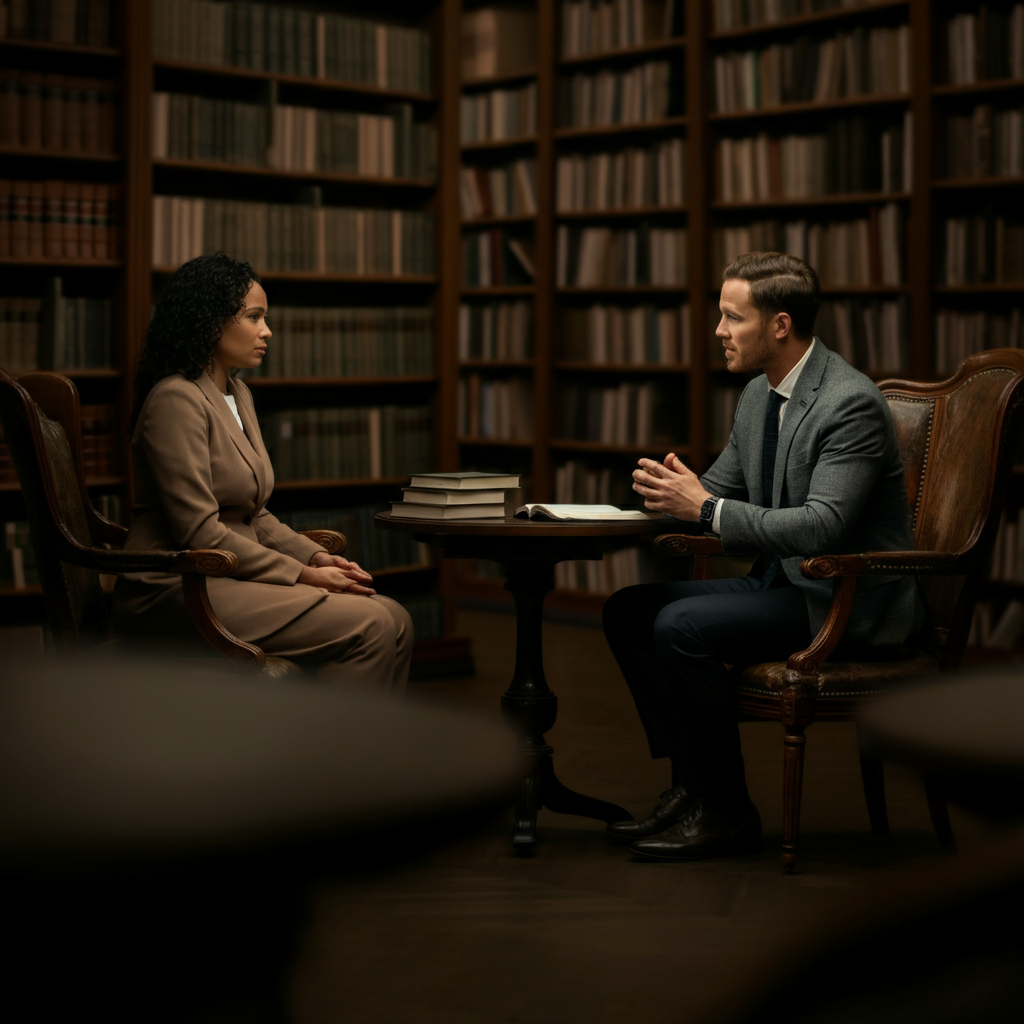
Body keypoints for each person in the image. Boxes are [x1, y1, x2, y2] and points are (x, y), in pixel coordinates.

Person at [602, 252, 922, 861]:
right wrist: (666, 493)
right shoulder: (758, 395)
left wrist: (702, 507)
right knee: (628, 611)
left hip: (842, 602)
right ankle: (690, 789)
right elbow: (718, 490)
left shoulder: (847, 402)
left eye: (731, 317)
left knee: (680, 624)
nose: (718, 331)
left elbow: (822, 527)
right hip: (784, 586)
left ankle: (724, 812)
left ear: (779, 325)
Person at [114, 252, 413, 688]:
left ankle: (337, 750)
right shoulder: (174, 400)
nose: (266, 331)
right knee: (373, 625)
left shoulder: (239, 394)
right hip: (180, 586)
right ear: (210, 320)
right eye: (254, 317)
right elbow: (201, 533)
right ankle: (328, 753)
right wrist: (305, 575)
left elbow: (254, 514)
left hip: (232, 576)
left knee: (396, 617)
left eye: (265, 318)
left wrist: (313, 554)